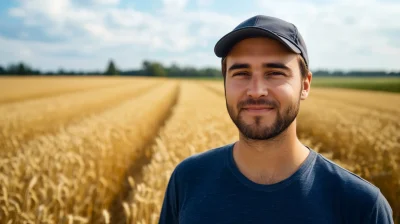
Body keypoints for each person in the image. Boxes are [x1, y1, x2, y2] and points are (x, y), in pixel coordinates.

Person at [158, 15, 394, 224]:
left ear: (305, 85)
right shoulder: (188, 179)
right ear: (225, 84)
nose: (256, 90)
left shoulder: (361, 205)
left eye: (275, 73)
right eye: (241, 73)